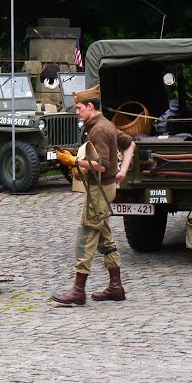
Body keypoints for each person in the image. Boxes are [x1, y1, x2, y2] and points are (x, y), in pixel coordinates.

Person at [52, 90, 135, 305]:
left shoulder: (98, 129)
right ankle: (116, 287)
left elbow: (102, 165)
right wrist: (123, 171)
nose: (77, 112)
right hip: (105, 188)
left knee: (87, 234)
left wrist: (73, 162)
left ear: (91, 106)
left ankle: (78, 290)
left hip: (99, 190)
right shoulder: (107, 124)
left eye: (79, 108)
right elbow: (130, 144)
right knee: (104, 236)